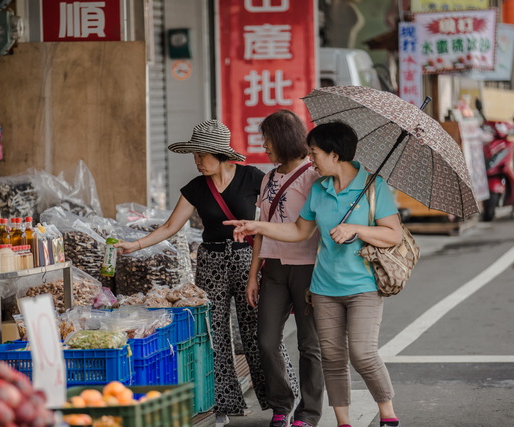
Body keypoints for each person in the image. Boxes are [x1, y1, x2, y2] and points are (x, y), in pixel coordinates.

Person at [114, 119, 299, 426]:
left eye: (202, 154)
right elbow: (171, 227)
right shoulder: (196, 188)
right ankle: (221, 404)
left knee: (260, 333)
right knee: (214, 334)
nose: (198, 161)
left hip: (246, 259)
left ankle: (283, 403)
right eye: (194, 155)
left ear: (220, 154)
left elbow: (272, 221)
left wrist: (263, 266)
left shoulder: (254, 177)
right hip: (210, 261)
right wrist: (136, 244)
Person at [225, 121, 404, 427]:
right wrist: (256, 226)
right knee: (333, 359)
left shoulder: (374, 186)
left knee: (361, 353)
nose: (311, 158)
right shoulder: (319, 188)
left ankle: (387, 413)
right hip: (323, 287)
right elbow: (298, 230)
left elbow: (393, 235)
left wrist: (356, 229)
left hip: (363, 284)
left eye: (315, 152)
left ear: (335, 155)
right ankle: (342, 421)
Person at [248, 110, 324, 427]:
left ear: (282, 139)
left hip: (308, 268)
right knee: (266, 339)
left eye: (267, 139)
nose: (264, 146)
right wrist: (254, 274)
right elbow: (261, 228)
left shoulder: (314, 177)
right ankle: (282, 404)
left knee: (310, 345)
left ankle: (308, 413)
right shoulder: (268, 178)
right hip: (274, 269)